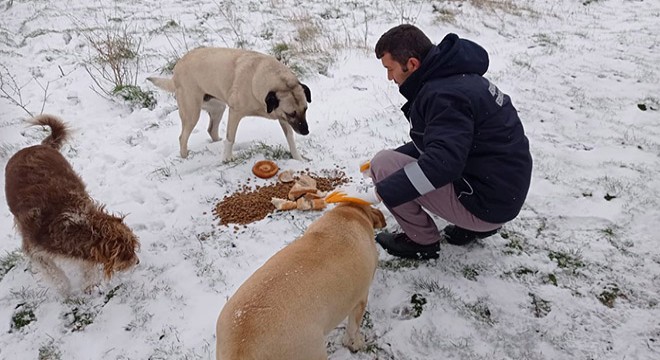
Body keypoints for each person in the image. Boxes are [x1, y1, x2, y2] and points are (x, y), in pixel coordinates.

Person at [340, 24, 533, 260]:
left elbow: (442, 164)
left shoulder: (443, 96)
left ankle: (422, 241)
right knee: (387, 165)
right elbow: (442, 145)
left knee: (383, 165)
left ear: (412, 64)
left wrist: (382, 190)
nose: (389, 77)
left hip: (488, 204)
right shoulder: (456, 77)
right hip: (502, 193)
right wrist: (398, 159)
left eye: (390, 69)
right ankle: (474, 226)